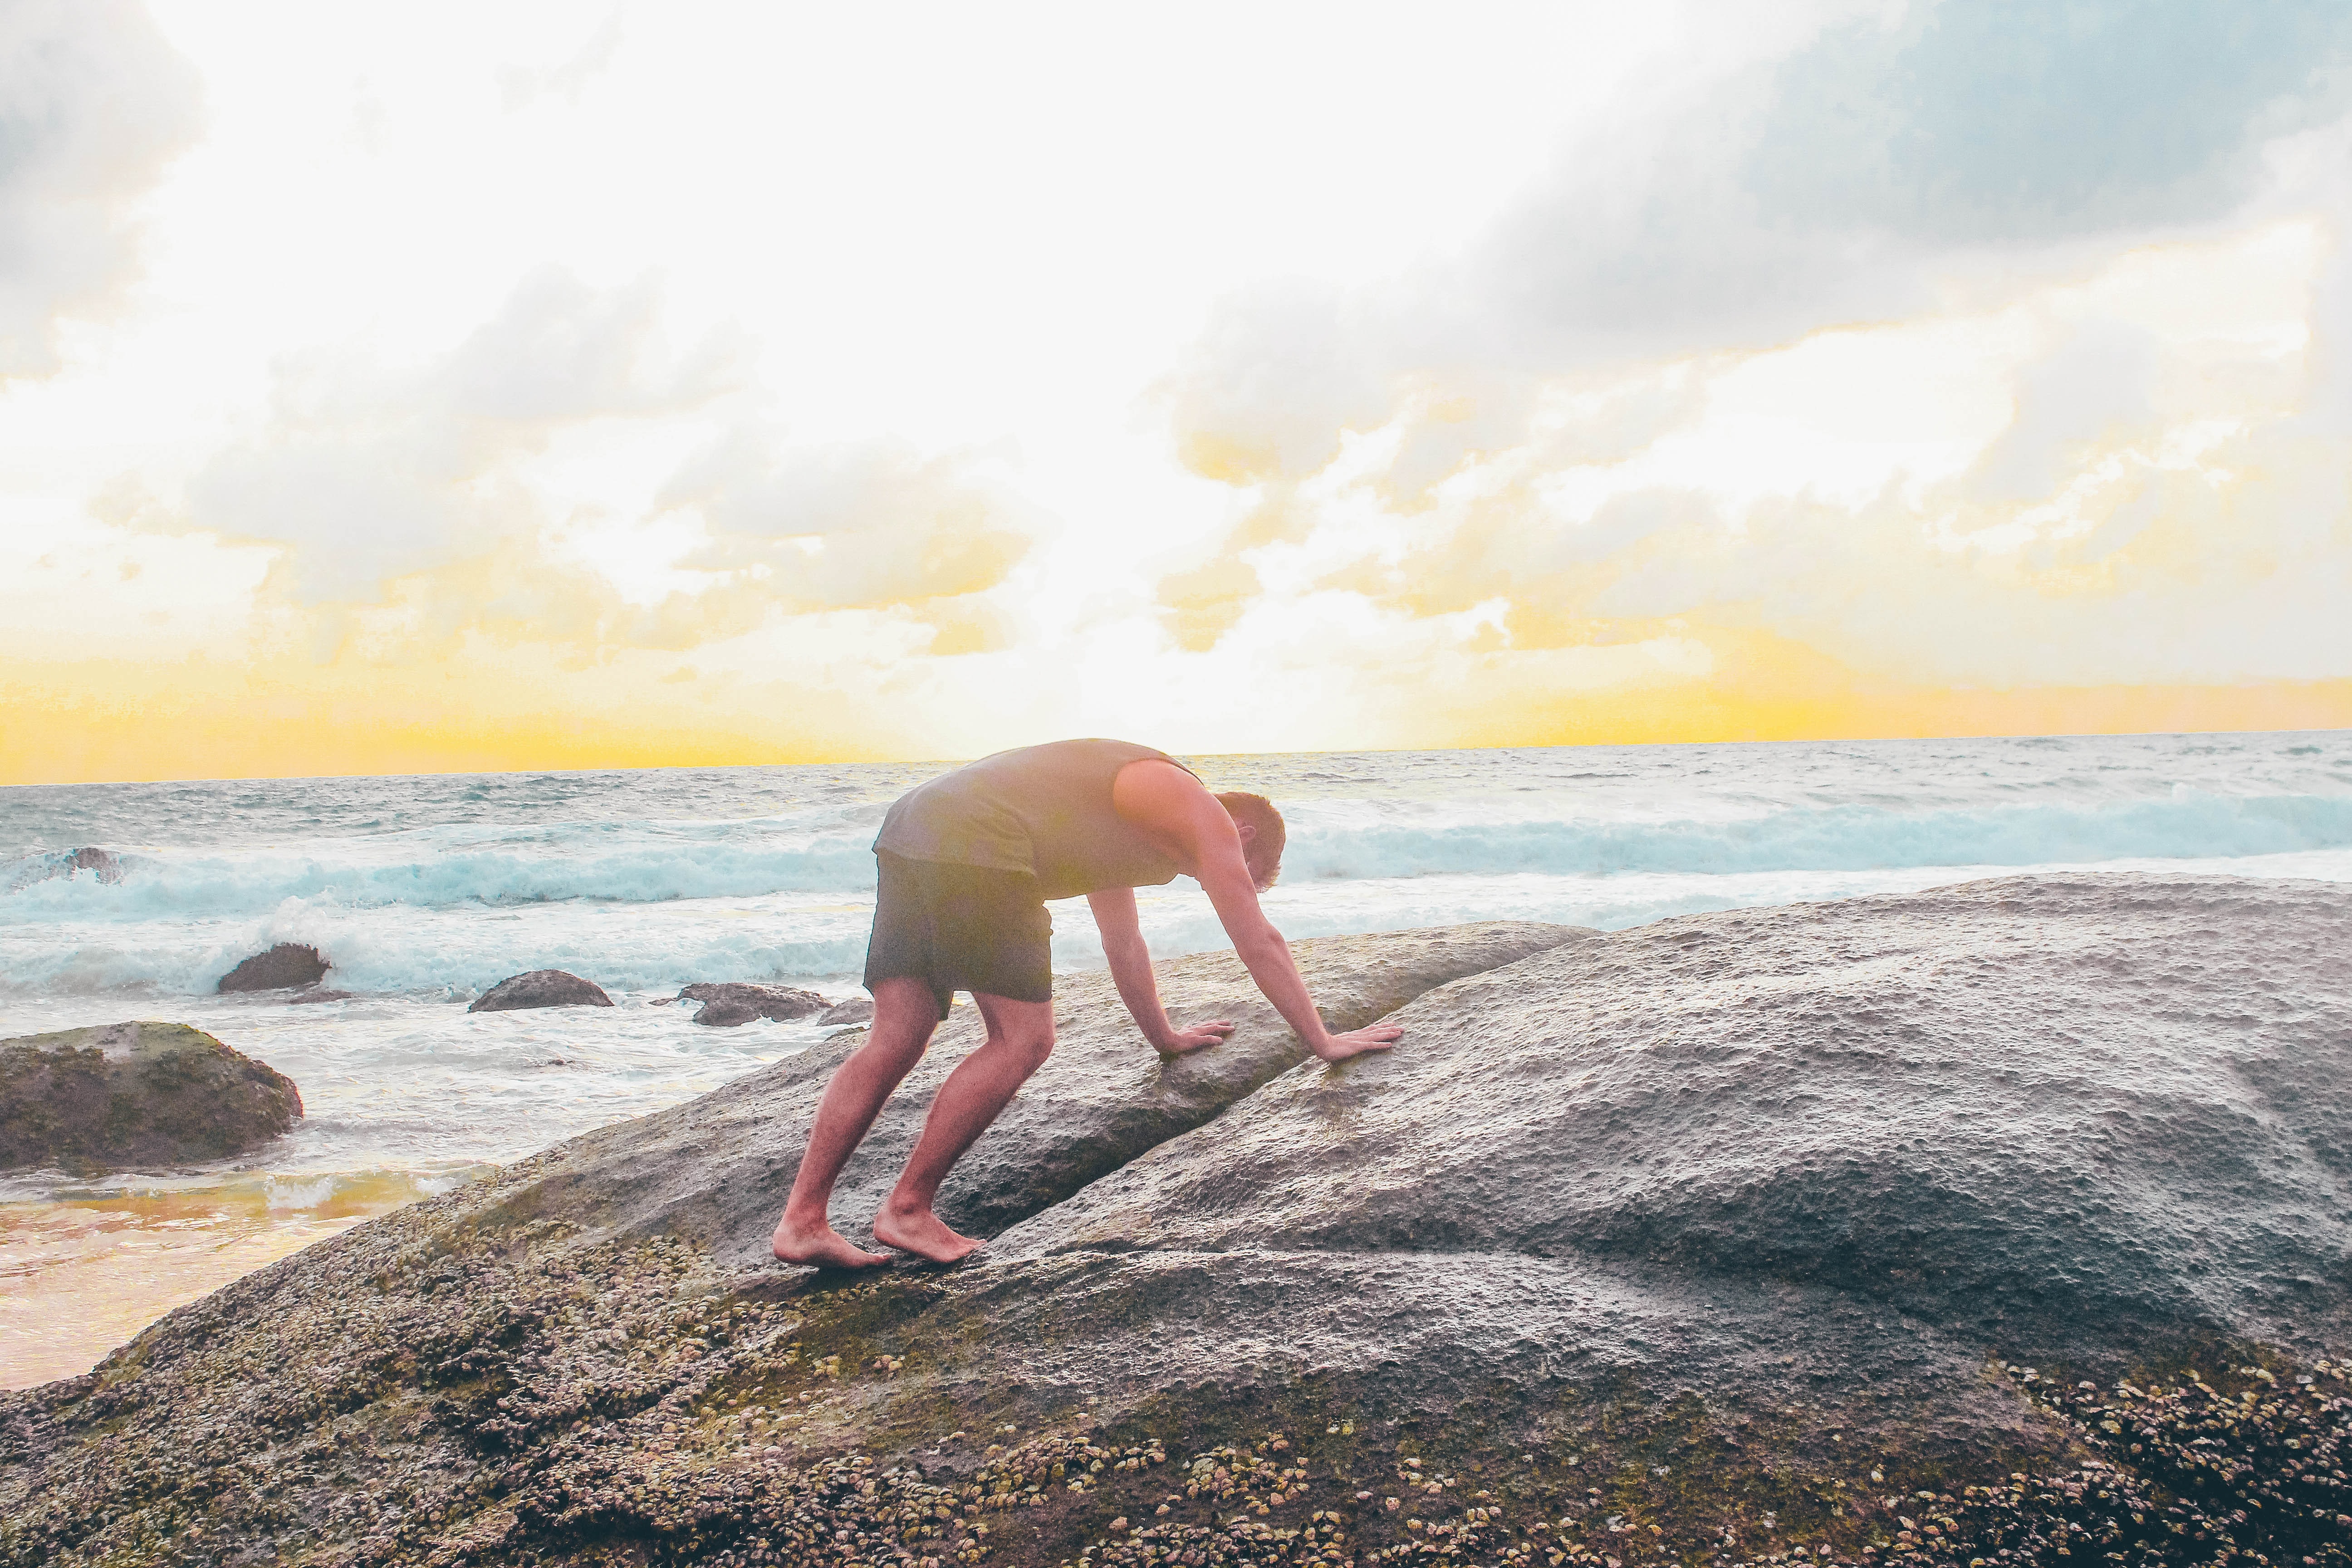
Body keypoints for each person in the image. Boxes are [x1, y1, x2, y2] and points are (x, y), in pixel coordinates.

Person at [770, 738, 1401, 1268]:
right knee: (1024, 1039)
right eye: (1245, 866)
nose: (1223, 875)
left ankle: (802, 1222)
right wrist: (1322, 1040)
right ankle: (907, 1210)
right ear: (1243, 831)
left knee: (897, 1034)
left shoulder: (1123, 828)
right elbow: (1258, 938)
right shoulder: (1193, 804)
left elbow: (1122, 940)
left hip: (914, 825)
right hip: (978, 838)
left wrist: (1165, 1037)